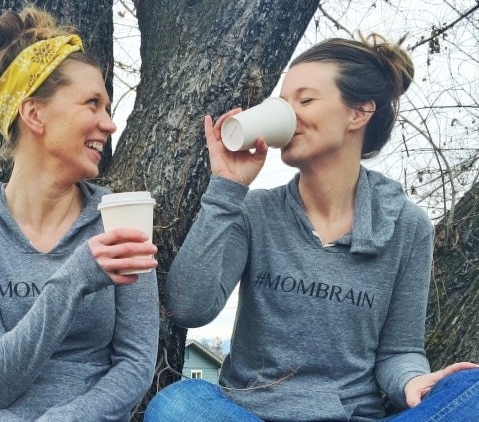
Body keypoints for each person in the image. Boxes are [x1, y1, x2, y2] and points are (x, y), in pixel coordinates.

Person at [145, 34, 479, 421]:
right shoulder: (255, 211)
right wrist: (227, 187)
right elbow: (188, 308)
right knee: (179, 403)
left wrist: (413, 382)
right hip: (251, 413)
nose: (289, 115)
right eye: (283, 104)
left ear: (359, 112)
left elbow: (398, 351)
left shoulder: (408, 226)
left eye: (304, 101)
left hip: (352, 415)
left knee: (470, 390)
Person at [0, 6, 159, 421]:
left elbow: (135, 365)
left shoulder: (119, 219)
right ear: (34, 113)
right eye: (93, 103)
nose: (109, 124)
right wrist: (74, 279)